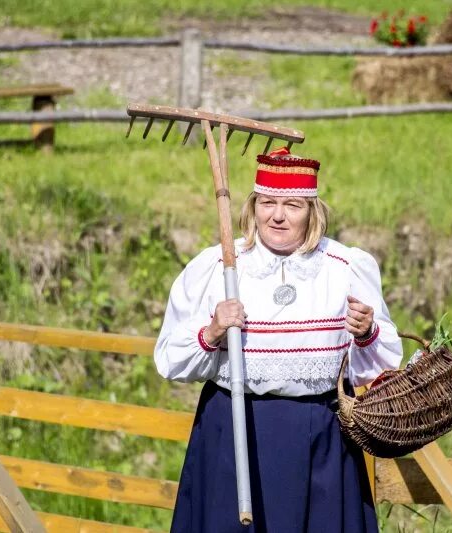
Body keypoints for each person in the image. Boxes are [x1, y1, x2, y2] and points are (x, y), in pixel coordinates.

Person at [155, 147, 403, 532]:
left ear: (312, 212)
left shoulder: (346, 267)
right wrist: (213, 331)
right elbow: (170, 360)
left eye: (293, 204)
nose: (278, 215)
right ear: (253, 206)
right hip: (234, 429)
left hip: (320, 436)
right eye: (267, 202)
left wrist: (365, 332)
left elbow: (384, 365)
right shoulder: (219, 265)